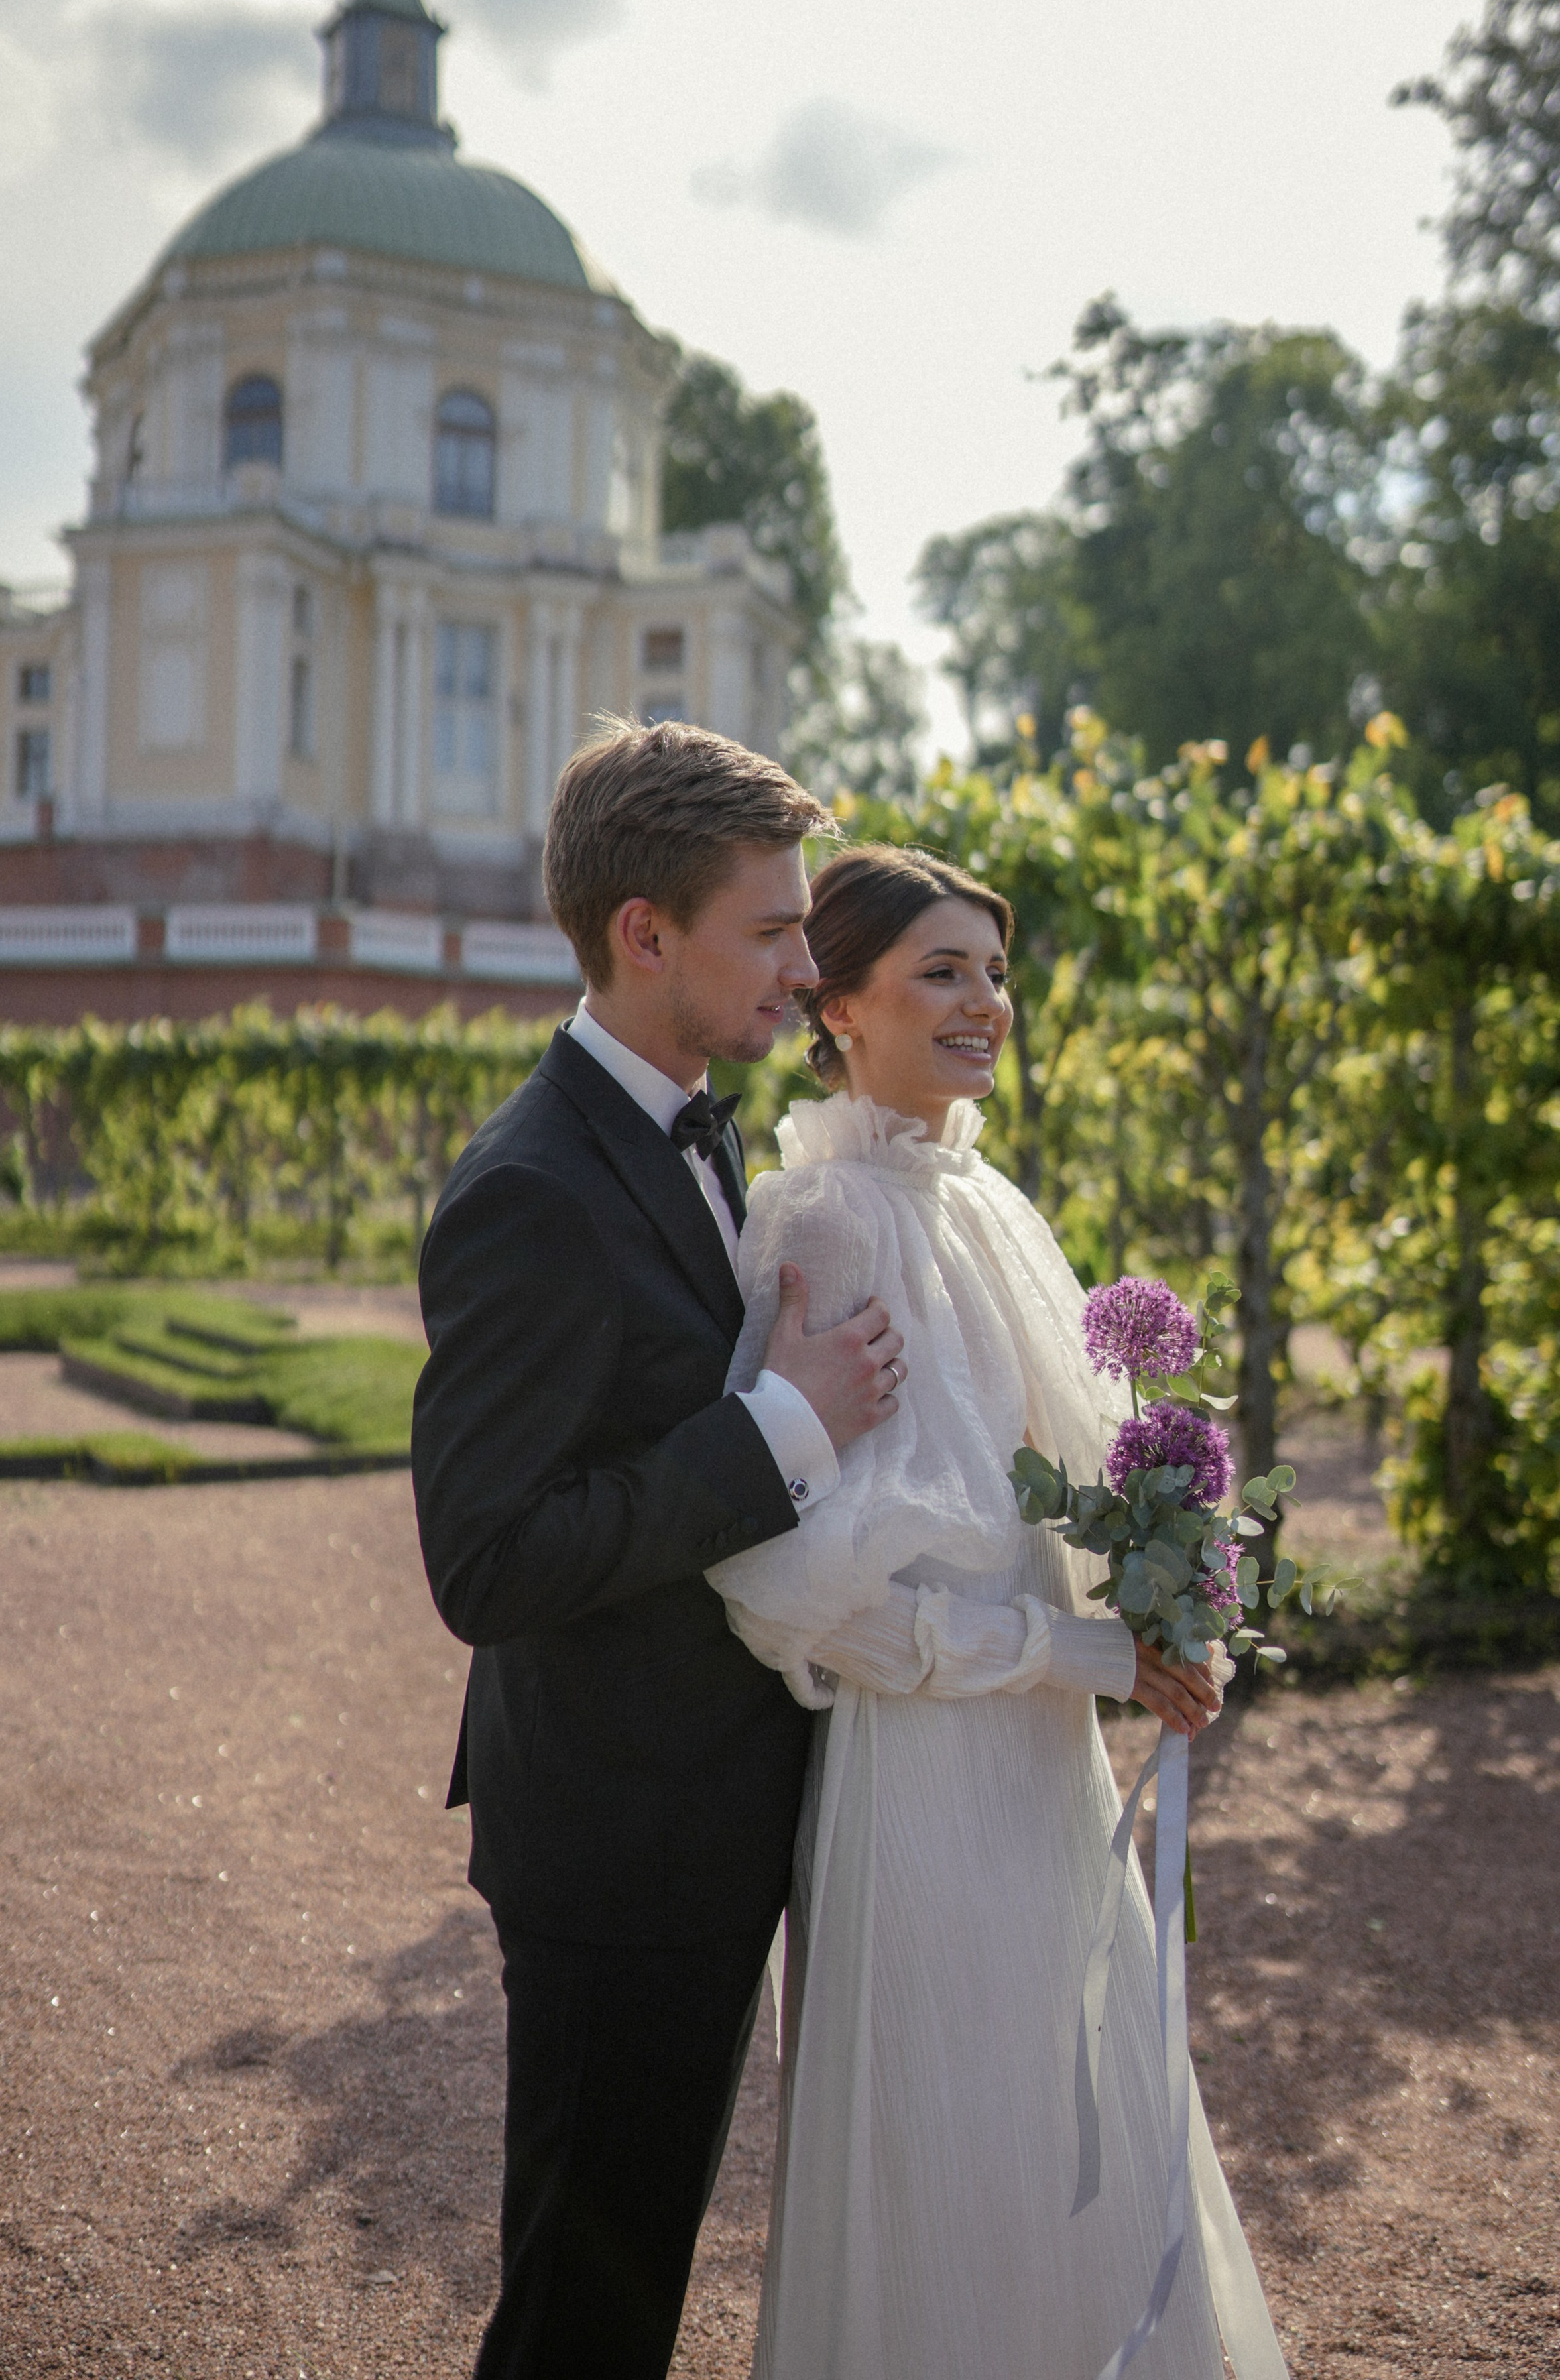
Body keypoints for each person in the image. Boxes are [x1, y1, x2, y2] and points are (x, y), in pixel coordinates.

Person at [709, 843, 1290, 2380]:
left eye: (992, 970)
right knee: (953, 2144)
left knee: (1063, 2118)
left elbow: (1075, 1482)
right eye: (940, 973)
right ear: (835, 1006)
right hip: (921, 1786)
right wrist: (1082, 1653)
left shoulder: (988, 1205)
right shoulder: (822, 1226)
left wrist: (1165, 1606)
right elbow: (814, 1600)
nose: (987, 1003)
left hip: (1040, 1769)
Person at [412, 723, 907, 2380]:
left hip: (708, 1817)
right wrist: (783, 1428)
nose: (803, 960)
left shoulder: (698, 1133)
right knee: (582, 2318)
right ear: (644, 932)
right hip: (617, 1850)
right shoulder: (530, 1190)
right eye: (769, 931)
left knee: (625, 2288)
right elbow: (485, 1562)